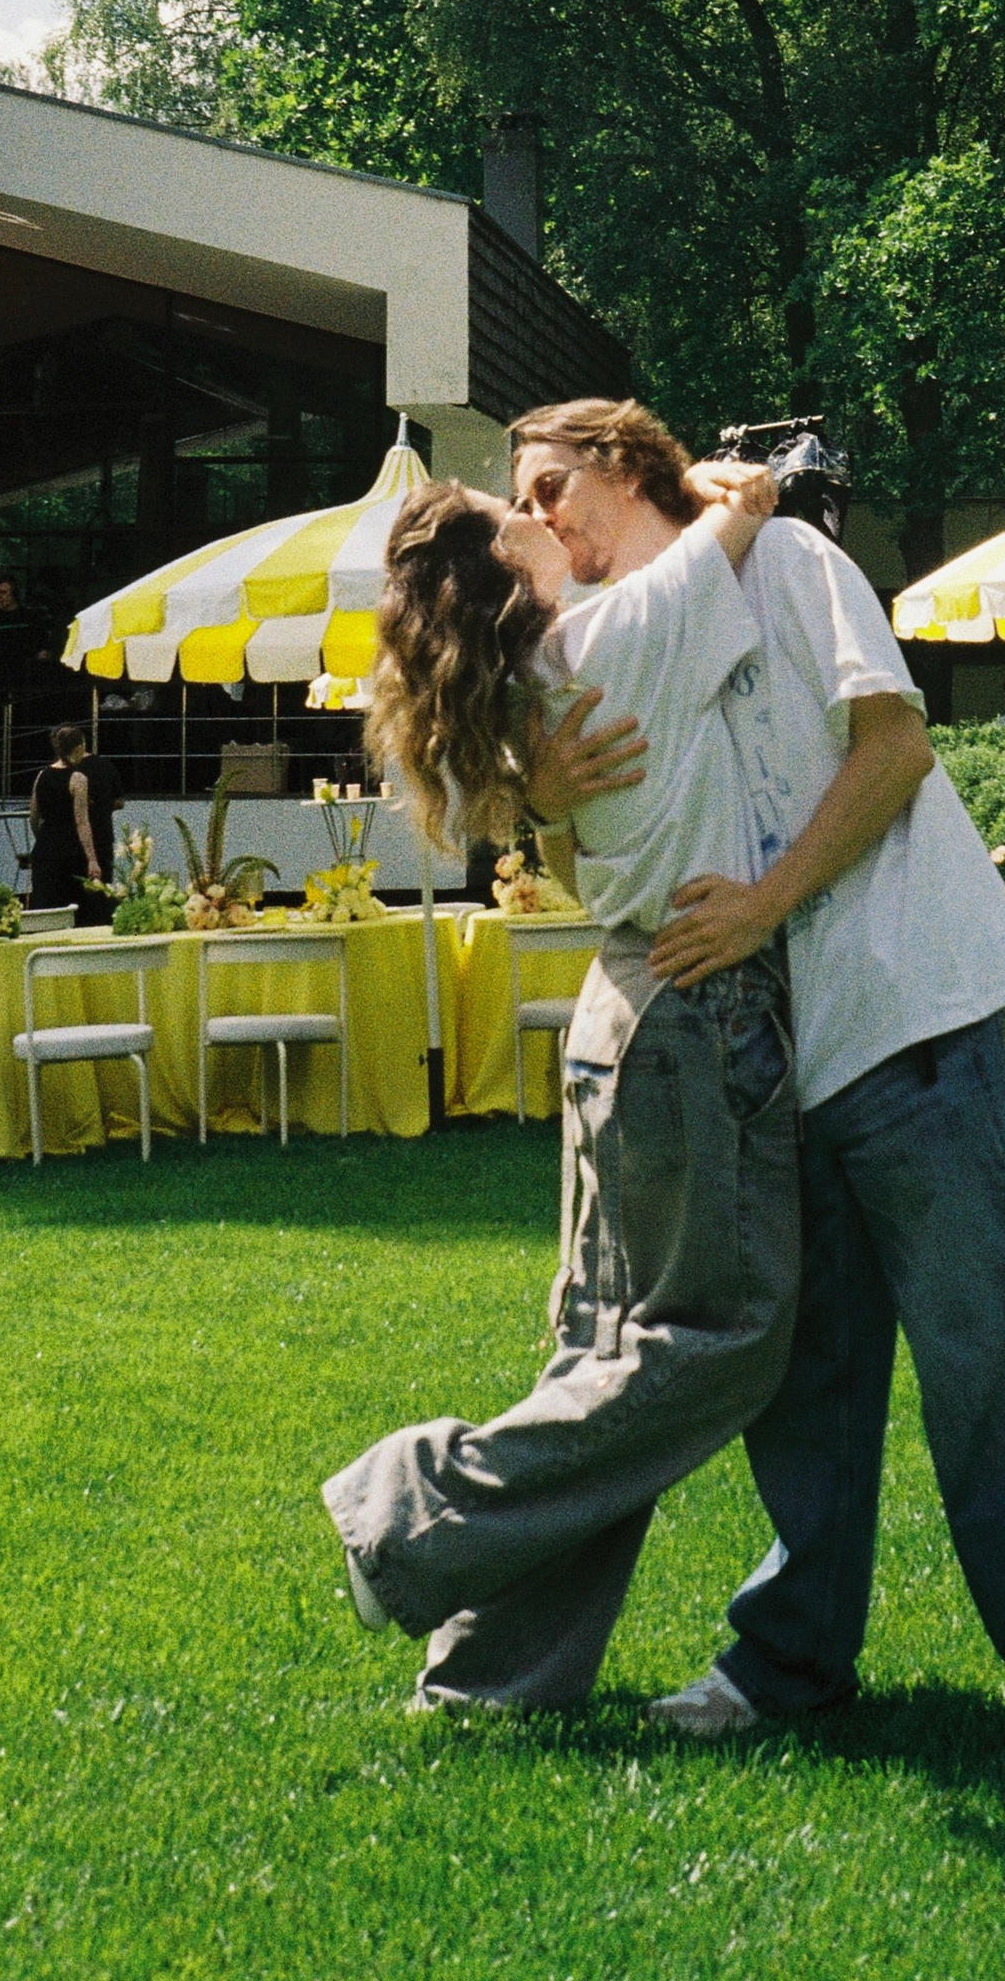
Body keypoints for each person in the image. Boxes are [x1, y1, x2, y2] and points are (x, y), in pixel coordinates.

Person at [516, 396, 1005, 1783]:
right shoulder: (607, 648)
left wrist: (762, 907)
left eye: (551, 484)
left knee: (986, 1347)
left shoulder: (793, 567)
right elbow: (607, 884)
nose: (537, 520)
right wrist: (545, 799)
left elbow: (893, 751)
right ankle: (794, 1659)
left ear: (629, 467)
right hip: (754, 1070)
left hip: (897, 1011)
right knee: (797, 1376)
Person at [324, 443, 799, 1718]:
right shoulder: (616, 633)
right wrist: (725, 484)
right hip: (694, 1011)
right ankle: (413, 1512)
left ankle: (493, 1676)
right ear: (502, 569)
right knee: (724, 1341)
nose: (543, 513)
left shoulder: (545, 671)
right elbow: (742, 512)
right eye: (515, 509)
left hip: (618, 1009)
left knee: (597, 1355)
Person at [27, 726, 114, 918]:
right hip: (72, 852)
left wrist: (43, 839)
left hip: (45, 849)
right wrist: (92, 859)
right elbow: (82, 822)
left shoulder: (41, 775)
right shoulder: (78, 779)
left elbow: (33, 816)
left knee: (45, 908)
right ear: (78, 747)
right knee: (77, 911)